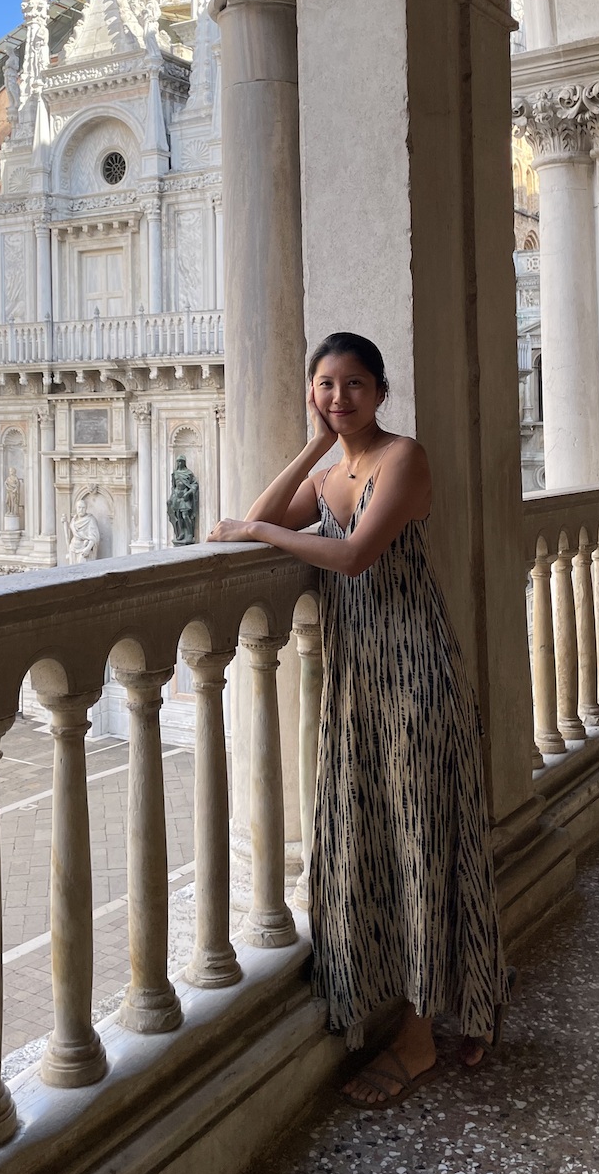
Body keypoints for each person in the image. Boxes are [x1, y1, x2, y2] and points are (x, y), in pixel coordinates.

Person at [208, 330, 509, 1107]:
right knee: (370, 836)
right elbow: (260, 513)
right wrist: (311, 448)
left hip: (413, 672)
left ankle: (419, 1039)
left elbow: (349, 558)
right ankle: (475, 994)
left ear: (380, 391)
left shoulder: (402, 459)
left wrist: (259, 534)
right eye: (325, 385)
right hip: (357, 680)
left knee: (424, 839)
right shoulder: (335, 467)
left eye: (352, 385)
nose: (339, 397)